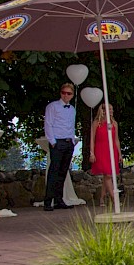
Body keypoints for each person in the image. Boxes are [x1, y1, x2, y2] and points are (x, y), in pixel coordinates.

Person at [43, 82, 77, 211]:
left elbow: (70, 126)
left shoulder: (72, 109)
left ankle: (59, 199)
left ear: (72, 95)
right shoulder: (53, 106)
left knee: (63, 172)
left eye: (69, 93)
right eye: (64, 93)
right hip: (58, 142)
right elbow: (48, 124)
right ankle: (48, 201)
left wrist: (72, 141)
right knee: (54, 171)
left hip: (68, 142)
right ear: (60, 93)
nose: (66, 95)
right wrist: (53, 141)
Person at [89, 103, 121, 207]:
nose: (112, 111)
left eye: (112, 109)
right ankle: (114, 198)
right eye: (109, 109)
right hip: (101, 149)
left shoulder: (114, 123)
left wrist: (119, 154)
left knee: (107, 174)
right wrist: (92, 153)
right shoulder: (96, 123)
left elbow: (116, 139)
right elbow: (92, 139)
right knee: (107, 175)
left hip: (111, 150)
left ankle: (102, 198)